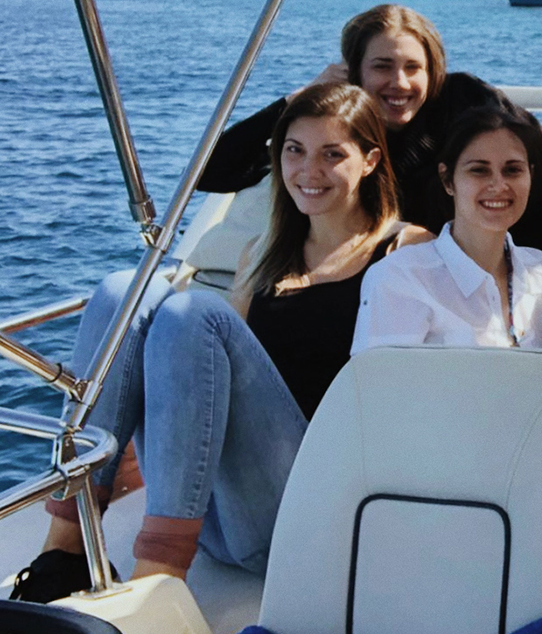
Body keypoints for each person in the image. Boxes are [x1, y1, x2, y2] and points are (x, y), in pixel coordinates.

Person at [10, 83, 423, 602]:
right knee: (124, 290)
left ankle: (155, 586)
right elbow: (211, 378)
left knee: (193, 310)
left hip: (311, 517)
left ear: (369, 161)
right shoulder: (261, 252)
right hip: (214, 519)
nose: (308, 170)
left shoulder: (405, 250)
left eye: (331, 154)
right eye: (294, 150)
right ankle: (63, 551)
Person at [198, 3, 542, 359]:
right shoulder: (354, 140)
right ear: (354, 75)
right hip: (523, 248)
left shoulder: (463, 101)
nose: (399, 82)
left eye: (414, 67)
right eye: (382, 67)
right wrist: (302, 97)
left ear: (432, 70)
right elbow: (212, 171)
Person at [352, 104, 542, 359]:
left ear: (530, 176)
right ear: (448, 180)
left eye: (513, 170)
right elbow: (381, 389)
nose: (498, 185)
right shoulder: (399, 278)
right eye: (479, 170)